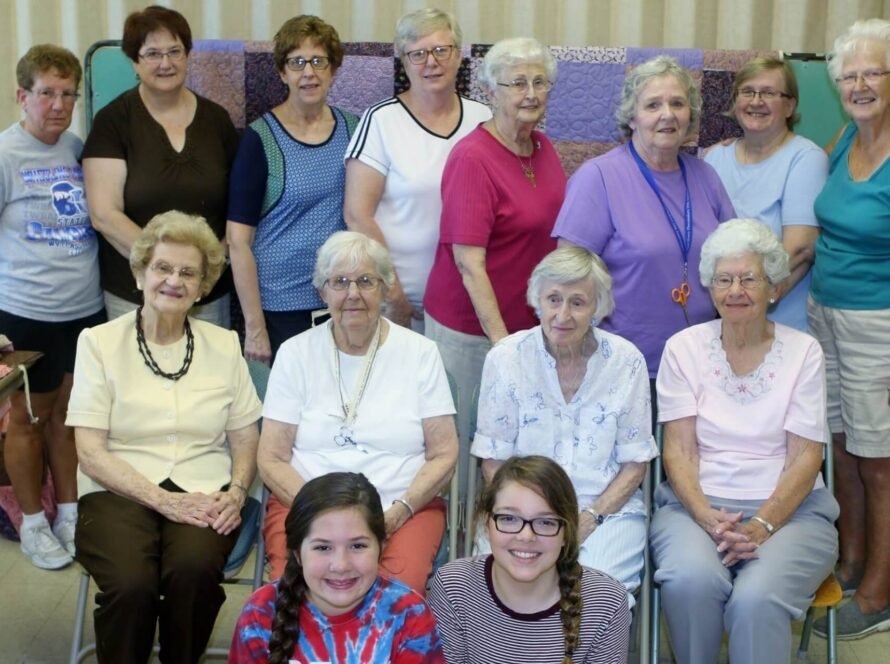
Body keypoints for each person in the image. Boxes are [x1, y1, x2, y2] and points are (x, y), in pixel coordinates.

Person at [66, 211, 262, 663]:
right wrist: (164, 501)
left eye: (188, 273)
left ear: (203, 286)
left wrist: (235, 493)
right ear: (140, 274)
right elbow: (90, 452)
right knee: (131, 584)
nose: (174, 281)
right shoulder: (98, 342)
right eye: (163, 268)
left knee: (193, 572)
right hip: (117, 488)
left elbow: (245, 436)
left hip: (204, 490)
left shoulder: (224, 345)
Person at [650, 219, 839, 663]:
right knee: (689, 580)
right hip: (694, 508)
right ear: (710, 289)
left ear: (773, 287)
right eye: (724, 279)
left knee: (757, 600)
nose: (735, 290)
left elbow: (805, 456)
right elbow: (678, 451)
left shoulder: (804, 352)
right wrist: (707, 517)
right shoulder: (683, 348)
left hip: (791, 513)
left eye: (749, 279)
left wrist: (760, 526)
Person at [258, 231, 458, 594]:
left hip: (400, 508)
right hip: (306, 503)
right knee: (296, 592)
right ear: (322, 292)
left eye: (366, 281)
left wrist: (399, 510)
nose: (353, 293)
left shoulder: (420, 353)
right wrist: (320, 513)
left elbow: (444, 453)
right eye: (340, 282)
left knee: (396, 596)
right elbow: (271, 457)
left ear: (384, 289)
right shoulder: (295, 353)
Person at [471, 247, 657, 604]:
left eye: (578, 302)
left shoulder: (626, 362)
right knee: (502, 596)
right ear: (537, 301)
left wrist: (588, 518)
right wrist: (534, 518)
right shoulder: (506, 358)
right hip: (520, 510)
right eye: (553, 299)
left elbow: (634, 465)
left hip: (604, 513)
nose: (563, 314)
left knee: (597, 600)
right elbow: (493, 461)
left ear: (598, 306)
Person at [423, 37, 565, 483]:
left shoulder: (543, 147)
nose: (531, 94)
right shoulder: (473, 157)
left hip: (527, 327)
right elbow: (468, 263)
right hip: (472, 332)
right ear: (490, 92)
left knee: (517, 446)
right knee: (472, 445)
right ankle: (465, 525)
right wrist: (503, 345)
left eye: (540, 82)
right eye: (517, 83)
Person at [553, 55, 735, 382]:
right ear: (632, 117)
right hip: (622, 366)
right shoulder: (598, 177)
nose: (667, 114)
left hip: (701, 363)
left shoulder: (706, 176)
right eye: (653, 105)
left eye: (677, 103)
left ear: (690, 114)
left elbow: (733, 258)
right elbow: (567, 278)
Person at [0, 45, 105, 569]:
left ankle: (68, 514)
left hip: (83, 310)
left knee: (69, 417)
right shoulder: (5, 154)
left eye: (68, 94)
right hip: (26, 313)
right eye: (47, 94)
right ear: (23, 96)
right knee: (27, 420)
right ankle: (33, 524)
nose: (59, 105)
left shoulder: (76, 148)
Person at [809, 18, 890, 639]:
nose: (859, 85)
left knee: (879, 458)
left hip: (876, 322)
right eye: (849, 76)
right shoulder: (844, 139)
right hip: (824, 310)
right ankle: (851, 559)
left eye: (873, 73)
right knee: (841, 446)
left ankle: (881, 590)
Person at [83, 4, 239, 326]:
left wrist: (204, 270)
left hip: (207, 293)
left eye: (174, 51)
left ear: (187, 55)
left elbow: (238, 209)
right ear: (134, 61)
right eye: (153, 54)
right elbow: (104, 215)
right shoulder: (112, 122)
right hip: (135, 295)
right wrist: (168, 270)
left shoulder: (217, 120)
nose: (166, 63)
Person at [344, 8, 490, 331]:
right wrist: (393, 293)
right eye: (418, 54)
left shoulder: (484, 120)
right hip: (400, 305)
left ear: (459, 55)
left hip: (468, 304)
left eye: (441, 50)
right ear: (404, 62)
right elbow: (357, 215)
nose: (431, 62)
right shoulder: (381, 121)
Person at [228, 15, 358, 364]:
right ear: (282, 72)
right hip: (281, 308)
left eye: (318, 61)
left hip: (343, 299)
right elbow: (238, 241)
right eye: (297, 62)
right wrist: (255, 327)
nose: (308, 72)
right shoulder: (260, 138)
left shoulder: (355, 129)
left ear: (334, 69)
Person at [428, 455, 630, 663]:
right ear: (487, 525)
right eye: (509, 519)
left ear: (566, 533)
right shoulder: (454, 587)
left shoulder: (606, 603)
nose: (526, 536)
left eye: (545, 522)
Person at [230, 472, 445, 664]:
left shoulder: (409, 614)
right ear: (297, 553)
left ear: (381, 547)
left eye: (357, 546)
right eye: (323, 547)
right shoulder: (261, 612)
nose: (341, 565)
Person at [704, 56, 827, 331]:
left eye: (769, 93)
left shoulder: (806, 159)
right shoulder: (714, 158)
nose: (756, 101)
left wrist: (744, 299)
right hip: (723, 320)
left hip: (782, 324)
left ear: (790, 106)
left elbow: (800, 250)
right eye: (747, 92)